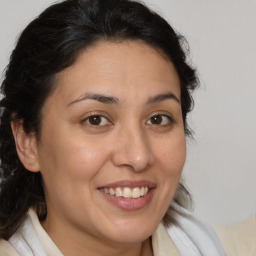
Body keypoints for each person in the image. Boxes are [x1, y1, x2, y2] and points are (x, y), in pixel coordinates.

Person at [0, 0, 225, 255]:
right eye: (96, 119)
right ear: (27, 141)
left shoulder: (204, 244)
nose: (138, 156)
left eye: (158, 119)